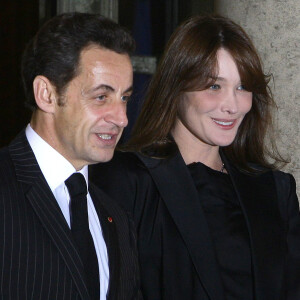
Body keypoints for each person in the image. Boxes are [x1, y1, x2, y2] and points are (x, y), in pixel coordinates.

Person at [90, 14, 300, 300]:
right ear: (176, 88)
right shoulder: (126, 180)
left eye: (242, 87)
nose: (232, 105)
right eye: (214, 86)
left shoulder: (275, 190)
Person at [0, 12, 142, 300]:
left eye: (124, 98)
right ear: (47, 95)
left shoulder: (116, 216)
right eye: (101, 96)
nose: (122, 118)